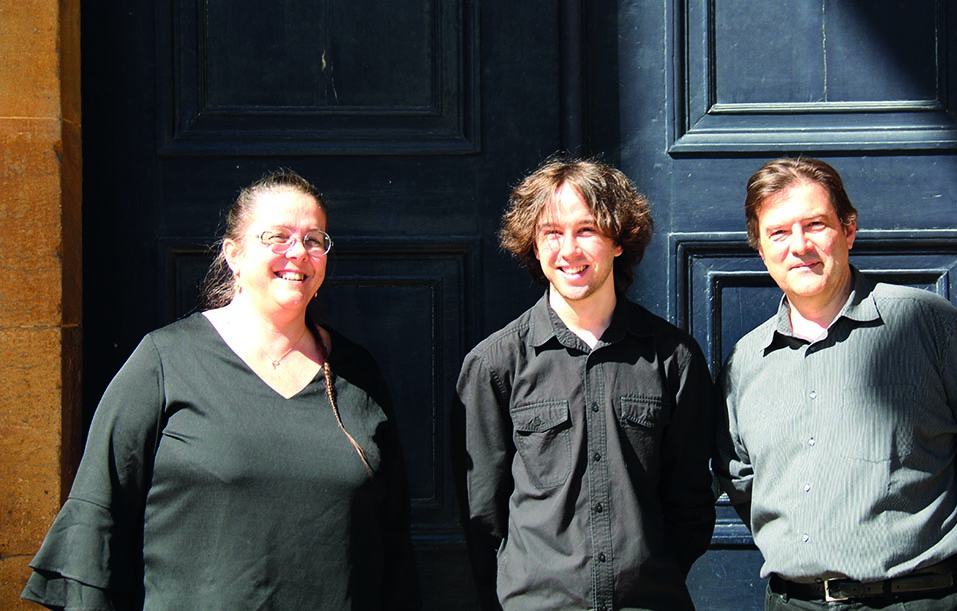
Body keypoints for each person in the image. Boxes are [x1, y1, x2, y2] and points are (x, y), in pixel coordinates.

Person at [23, 170, 421, 610]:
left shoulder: (355, 372)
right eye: (278, 236)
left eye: (314, 239)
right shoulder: (165, 361)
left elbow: (393, 538)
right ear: (233, 254)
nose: (299, 253)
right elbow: (98, 516)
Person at [714, 157, 957, 611]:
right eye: (778, 233)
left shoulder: (929, 327)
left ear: (849, 230)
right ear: (760, 249)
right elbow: (742, 483)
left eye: (816, 225)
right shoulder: (746, 362)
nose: (799, 246)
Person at [453, 155, 716, 611]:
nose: (569, 250)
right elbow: (483, 514)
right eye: (552, 233)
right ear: (533, 246)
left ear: (619, 240)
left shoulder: (674, 358)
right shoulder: (495, 364)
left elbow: (690, 502)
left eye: (587, 230)